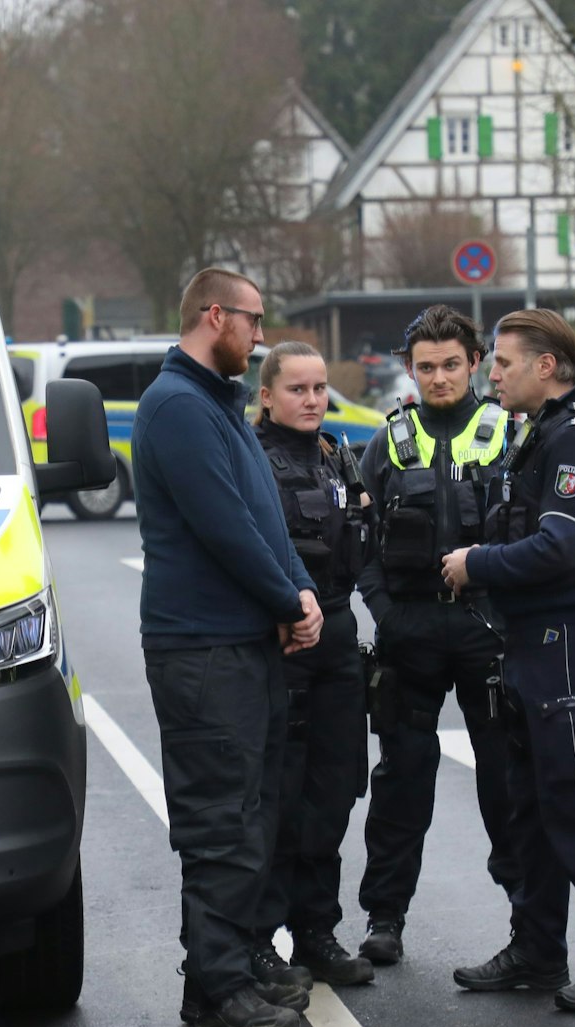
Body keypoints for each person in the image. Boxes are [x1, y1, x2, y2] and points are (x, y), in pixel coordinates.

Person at [133, 267, 325, 1027]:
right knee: (219, 822)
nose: (260, 335)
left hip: (241, 646)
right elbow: (224, 528)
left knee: (252, 814)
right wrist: (288, 600)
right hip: (203, 650)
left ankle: (240, 958)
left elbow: (265, 519)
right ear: (215, 316)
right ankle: (215, 990)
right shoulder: (178, 406)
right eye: (253, 320)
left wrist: (300, 590)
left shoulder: (216, 404)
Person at [442, 308, 575, 1013]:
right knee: (530, 805)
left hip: (568, 636)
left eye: (501, 362)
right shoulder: (535, 435)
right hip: (532, 638)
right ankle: (535, 949)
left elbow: (558, 547)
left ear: (548, 366)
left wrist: (476, 563)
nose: (490, 373)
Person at [351, 305, 518, 967]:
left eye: (452, 365)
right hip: (411, 633)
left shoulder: (510, 432)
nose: (440, 378)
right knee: (401, 784)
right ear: (410, 369)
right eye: (426, 367)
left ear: (475, 363)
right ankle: (384, 918)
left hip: (488, 634)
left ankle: (527, 922)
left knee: (507, 783)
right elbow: (357, 539)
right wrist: (386, 613)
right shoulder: (387, 441)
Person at [252, 341, 376, 987]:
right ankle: (264, 940)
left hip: (338, 636)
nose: (311, 399)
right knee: (282, 794)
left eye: (320, 388)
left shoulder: (337, 457)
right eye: (296, 388)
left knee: (332, 791)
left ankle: (316, 932)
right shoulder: (253, 461)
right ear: (267, 395)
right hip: (285, 641)